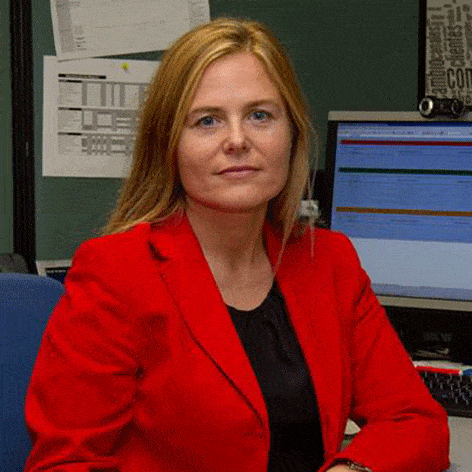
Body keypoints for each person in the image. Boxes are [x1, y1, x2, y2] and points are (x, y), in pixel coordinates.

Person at [24, 17, 450, 472]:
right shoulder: (117, 273)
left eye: (260, 116)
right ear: (169, 145)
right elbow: (64, 464)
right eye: (207, 121)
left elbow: (416, 422)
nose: (237, 141)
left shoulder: (327, 261)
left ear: (292, 132)